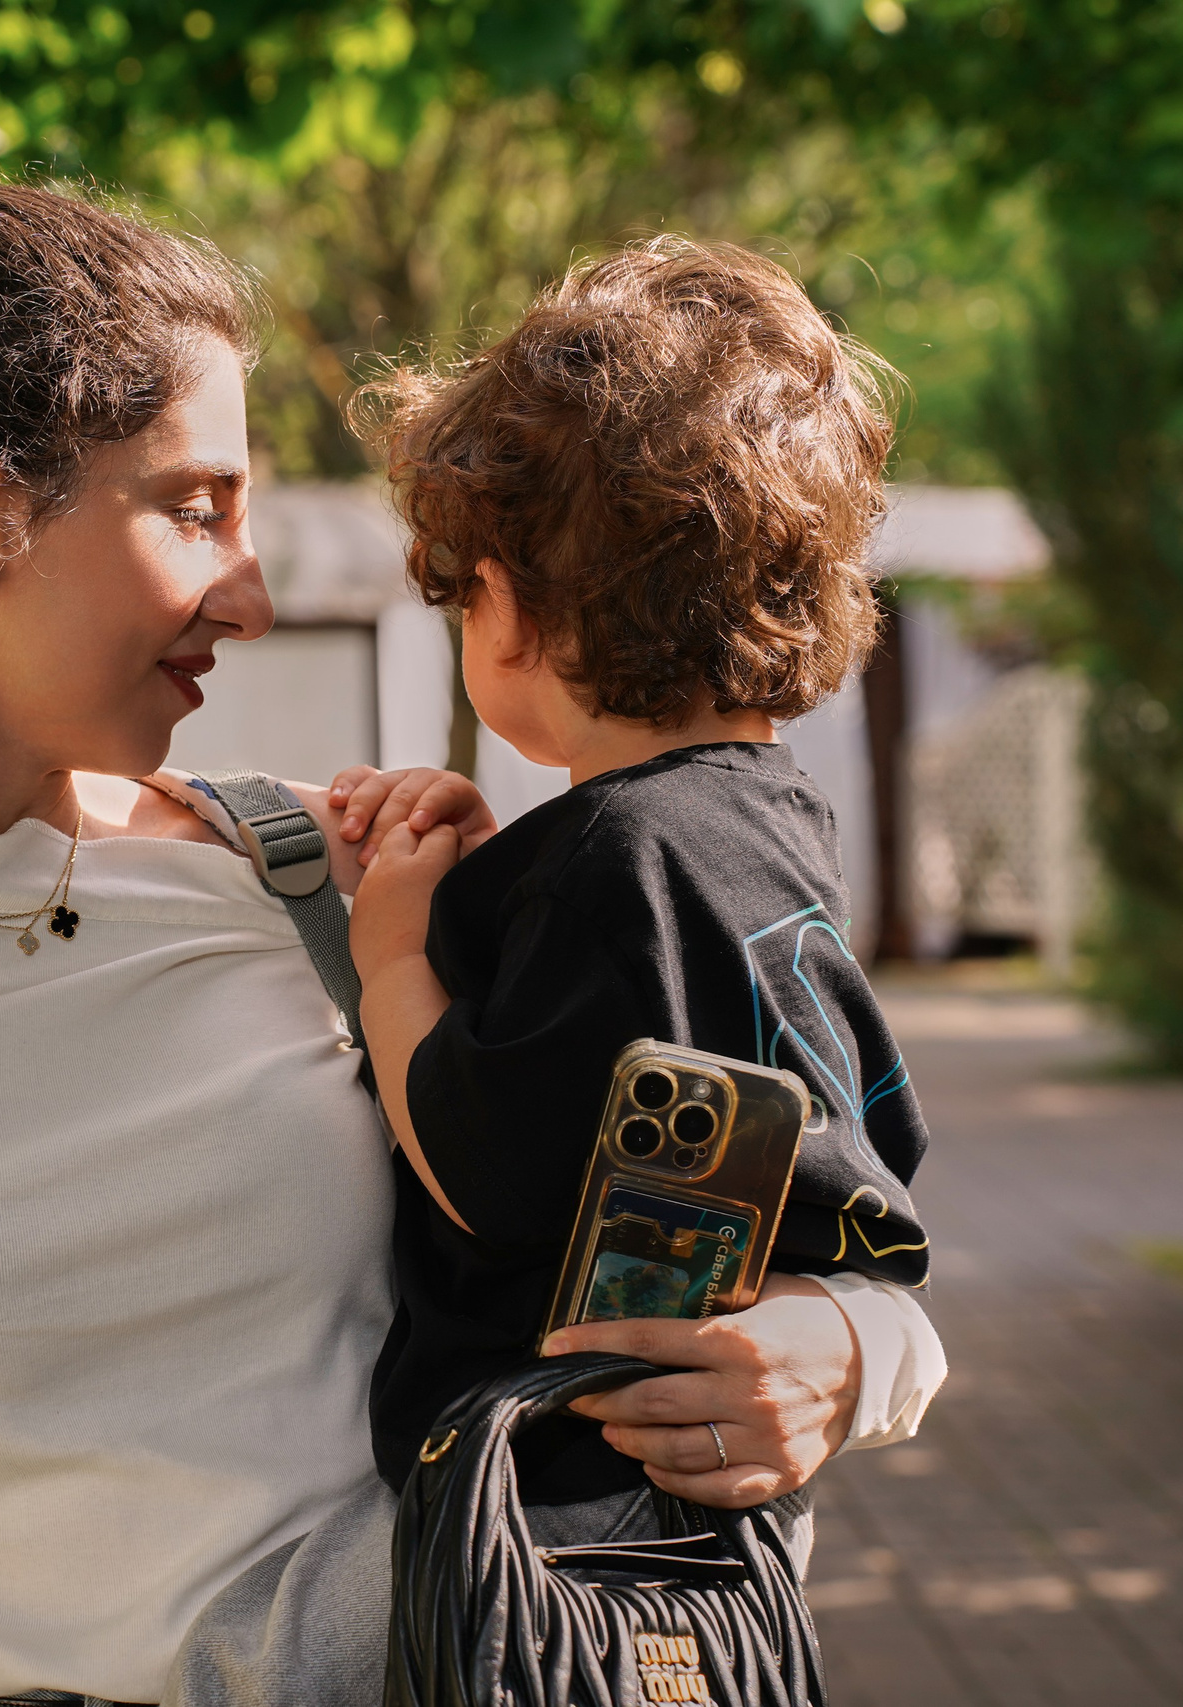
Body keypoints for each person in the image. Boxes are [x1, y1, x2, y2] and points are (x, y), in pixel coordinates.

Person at [0, 55, 938, 1707]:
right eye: (196, 510)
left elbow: (766, 1178)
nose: (252, 595)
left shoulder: (348, 878)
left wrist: (851, 1353)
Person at [170, 240, 947, 1702]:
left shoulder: (617, 861)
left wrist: (393, 954)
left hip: (548, 1522)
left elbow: (488, 1170)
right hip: (705, 1510)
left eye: (462, 597)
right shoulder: (768, 830)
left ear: (512, 608)